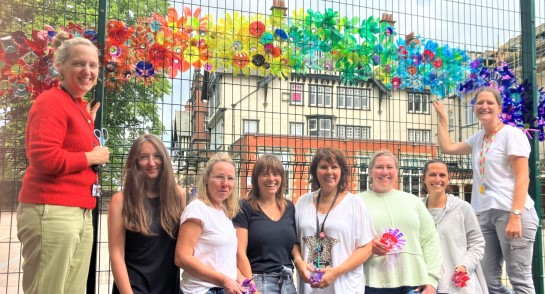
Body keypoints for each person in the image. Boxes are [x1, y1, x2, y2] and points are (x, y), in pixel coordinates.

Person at [16, 35, 110, 294]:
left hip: (78, 212)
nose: (88, 71)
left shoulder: (77, 105)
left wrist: (88, 124)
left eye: (93, 65)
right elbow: (45, 158)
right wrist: (92, 157)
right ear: (61, 65)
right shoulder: (51, 101)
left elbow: (70, 145)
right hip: (52, 210)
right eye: (79, 64)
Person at [433, 87, 539, 294]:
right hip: (484, 215)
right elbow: (447, 148)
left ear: (499, 107)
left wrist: (516, 215)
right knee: (487, 281)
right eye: (479, 103)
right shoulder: (478, 138)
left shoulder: (512, 135)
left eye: (489, 102)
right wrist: (443, 117)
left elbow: (522, 178)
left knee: (520, 280)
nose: (484, 106)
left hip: (512, 212)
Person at [108, 134, 186, 293]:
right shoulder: (121, 201)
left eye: (157, 156)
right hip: (133, 289)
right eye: (144, 157)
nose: (151, 162)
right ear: (134, 161)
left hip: (168, 288)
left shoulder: (178, 196)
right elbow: (116, 255)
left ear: (164, 159)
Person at [359, 150, 441, 294]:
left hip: (414, 282)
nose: (385, 172)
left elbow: (430, 240)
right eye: (379, 167)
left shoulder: (413, 201)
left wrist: (432, 279)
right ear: (370, 171)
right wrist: (369, 246)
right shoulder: (356, 202)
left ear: (396, 172)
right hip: (370, 282)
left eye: (390, 167)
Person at [293, 147, 375, 293]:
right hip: (309, 288)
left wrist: (336, 272)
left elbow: (367, 247)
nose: (329, 172)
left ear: (341, 172)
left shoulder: (355, 203)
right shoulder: (302, 202)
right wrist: (299, 262)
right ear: (315, 171)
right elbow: (294, 242)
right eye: (323, 167)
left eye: (334, 167)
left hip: (345, 287)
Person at [175, 152, 245, 294]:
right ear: (206, 178)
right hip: (202, 290)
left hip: (223, 288)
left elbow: (222, 260)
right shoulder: (197, 209)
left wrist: (242, 279)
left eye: (230, 178)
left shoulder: (224, 212)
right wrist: (225, 280)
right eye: (219, 177)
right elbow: (182, 257)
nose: (225, 184)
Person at [421, 159, 488, 294]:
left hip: (457, 286)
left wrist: (464, 265)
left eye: (442, 175)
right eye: (432, 175)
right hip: (426, 286)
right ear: (424, 179)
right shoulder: (416, 209)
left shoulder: (463, 208)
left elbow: (477, 243)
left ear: (448, 179)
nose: (437, 179)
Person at [233, 154, 297, 294]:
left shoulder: (289, 207)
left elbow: (292, 246)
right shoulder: (244, 208)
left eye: (276, 174)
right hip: (258, 281)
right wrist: (252, 289)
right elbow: (239, 252)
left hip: (287, 282)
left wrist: (300, 262)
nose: (271, 179)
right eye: (265, 174)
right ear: (256, 179)